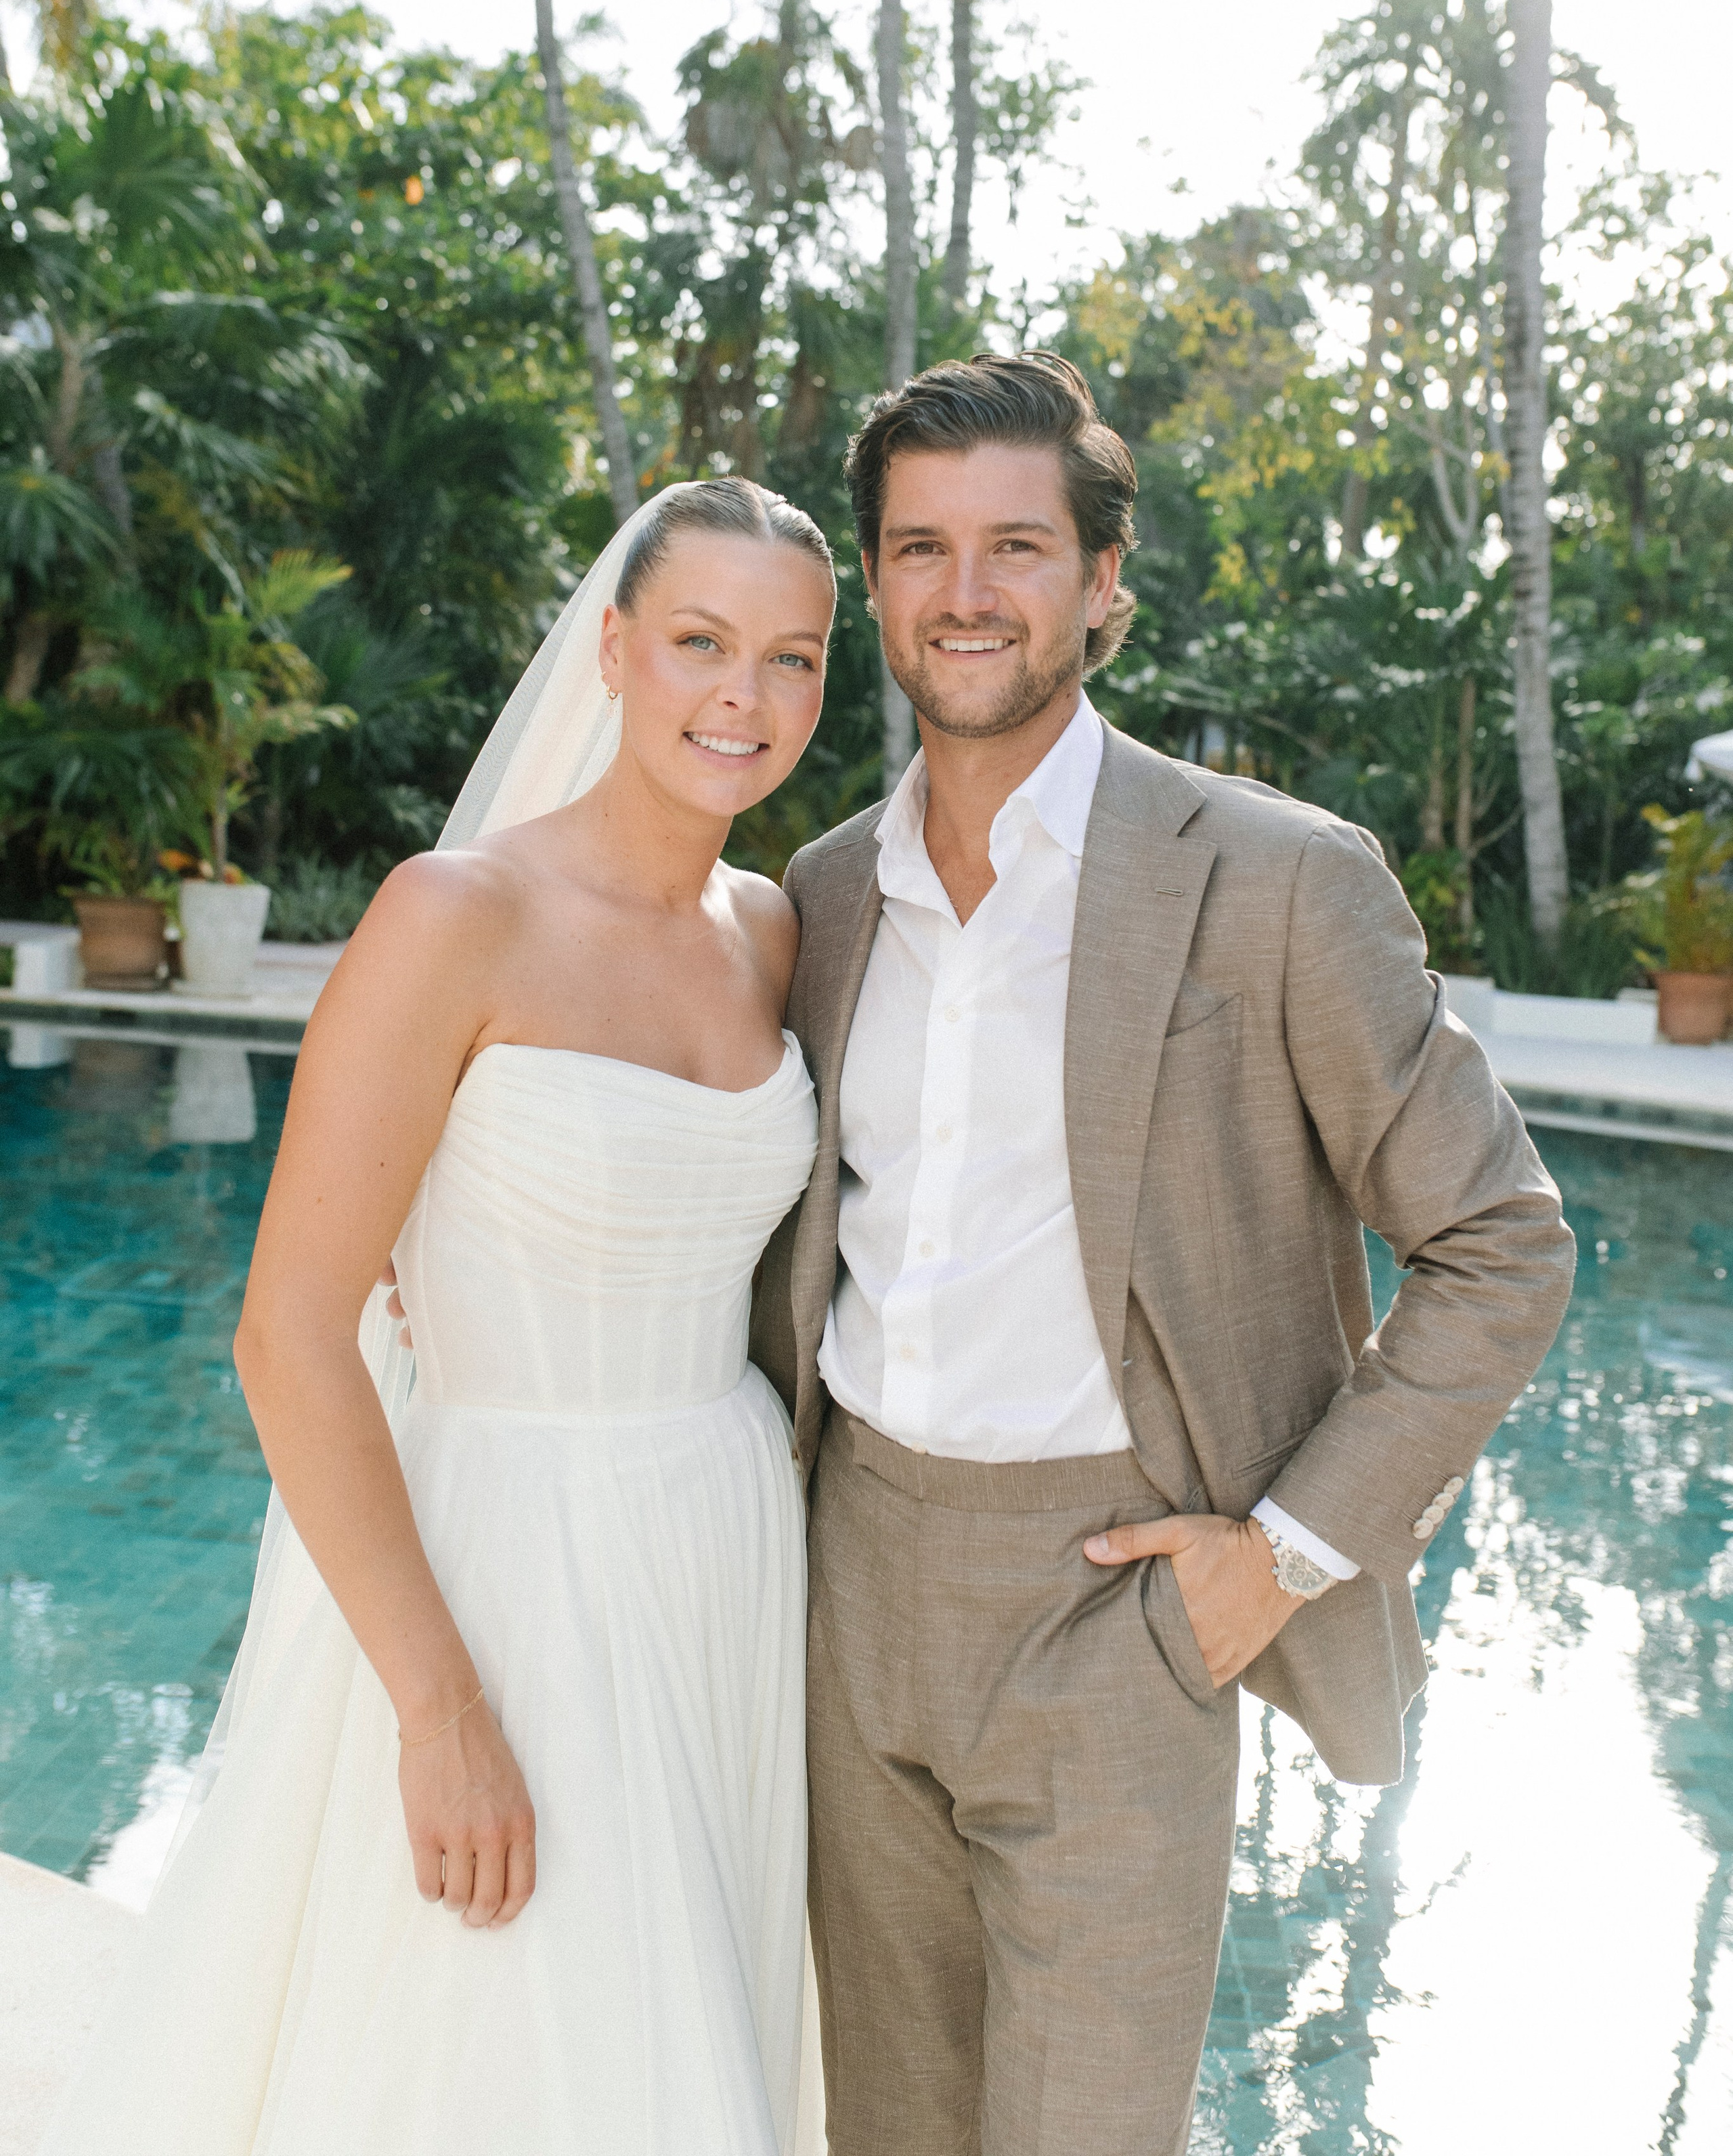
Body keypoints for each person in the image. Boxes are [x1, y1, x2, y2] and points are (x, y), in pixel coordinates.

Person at [749, 352, 1576, 2156]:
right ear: (877, 588)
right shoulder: (812, 900)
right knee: (885, 2127)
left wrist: (1279, 1555)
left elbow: (1501, 1245)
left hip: (1118, 1610)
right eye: (921, 548)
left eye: (1019, 547)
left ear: (1103, 584)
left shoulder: (1277, 881)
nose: (968, 593)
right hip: (849, 1590)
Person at [43, 478, 837, 2156]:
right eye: (699, 642)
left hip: (726, 1546)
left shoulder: (768, 931)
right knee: (516, 2056)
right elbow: (289, 1333)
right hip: (512, 1566)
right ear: (613, 651)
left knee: (687, 2044)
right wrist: (440, 1707)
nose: (742, 699)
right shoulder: (455, 914)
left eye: (791, 659)